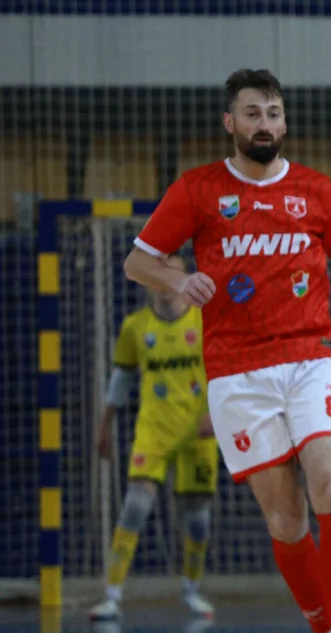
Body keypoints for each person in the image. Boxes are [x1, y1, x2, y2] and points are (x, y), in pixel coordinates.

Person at [123, 69, 331, 633]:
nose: (264, 124)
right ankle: (324, 625)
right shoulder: (198, 190)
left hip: (310, 358)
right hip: (236, 371)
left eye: (273, 113)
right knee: (286, 519)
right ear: (230, 122)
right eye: (252, 114)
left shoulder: (317, 191)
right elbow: (137, 262)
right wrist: (178, 280)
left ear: (285, 121)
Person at [90, 255, 216, 621]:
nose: (164, 285)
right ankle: (112, 595)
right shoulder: (135, 327)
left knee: (198, 519)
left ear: (185, 278)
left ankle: (192, 589)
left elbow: (228, 366)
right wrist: (104, 423)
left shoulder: (203, 320)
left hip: (198, 432)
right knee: (135, 506)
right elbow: (122, 378)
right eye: (157, 278)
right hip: (154, 431)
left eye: (171, 275)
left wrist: (218, 411)